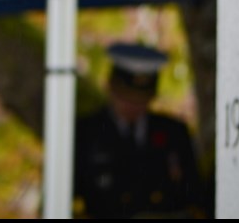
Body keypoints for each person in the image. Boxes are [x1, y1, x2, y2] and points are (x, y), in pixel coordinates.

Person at [73, 42, 203, 219]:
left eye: (141, 99)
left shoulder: (173, 132)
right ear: (111, 88)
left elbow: (193, 195)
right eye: (126, 97)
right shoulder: (86, 133)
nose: (133, 107)